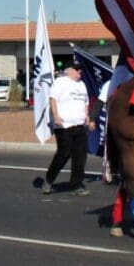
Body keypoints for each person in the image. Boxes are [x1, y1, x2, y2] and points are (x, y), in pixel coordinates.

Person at [43, 61, 90, 196]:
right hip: (64, 125)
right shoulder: (60, 82)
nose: (79, 71)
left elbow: (85, 101)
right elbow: (53, 100)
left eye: (80, 69)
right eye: (76, 69)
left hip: (80, 125)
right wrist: (56, 117)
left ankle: (76, 184)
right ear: (69, 70)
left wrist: (86, 115)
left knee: (80, 157)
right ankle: (49, 179)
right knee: (63, 154)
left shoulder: (81, 84)